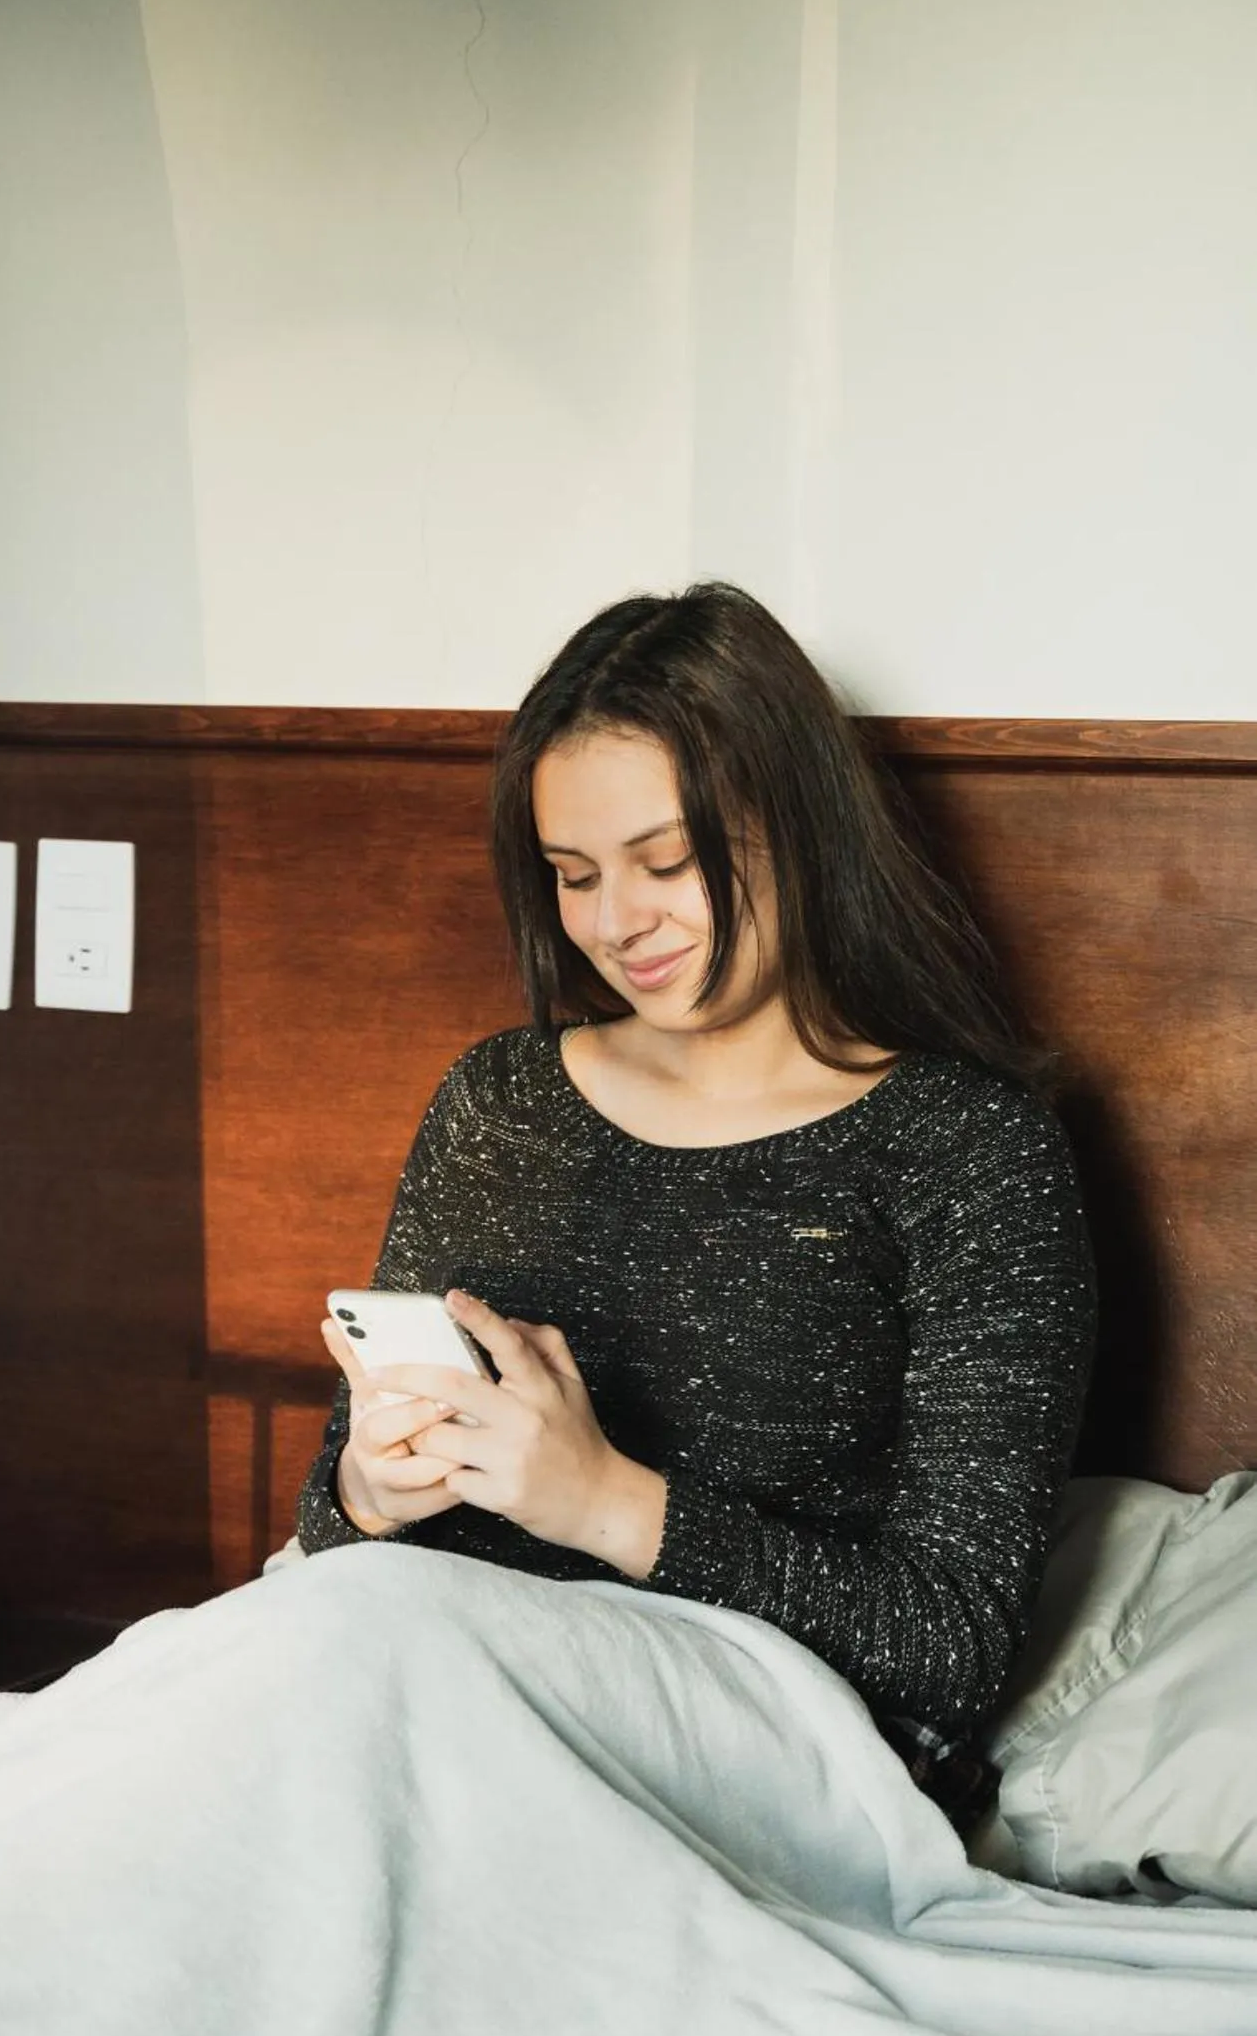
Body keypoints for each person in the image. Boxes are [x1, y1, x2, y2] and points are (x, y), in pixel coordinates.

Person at [296, 582, 1099, 1830]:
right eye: (573, 874)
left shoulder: (967, 1149)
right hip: (414, 1678)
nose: (617, 923)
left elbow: (951, 1646)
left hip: (730, 1750)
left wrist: (602, 1499)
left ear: (800, 823)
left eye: (667, 862)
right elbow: (331, 1532)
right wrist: (372, 1492)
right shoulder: (500, 1098)